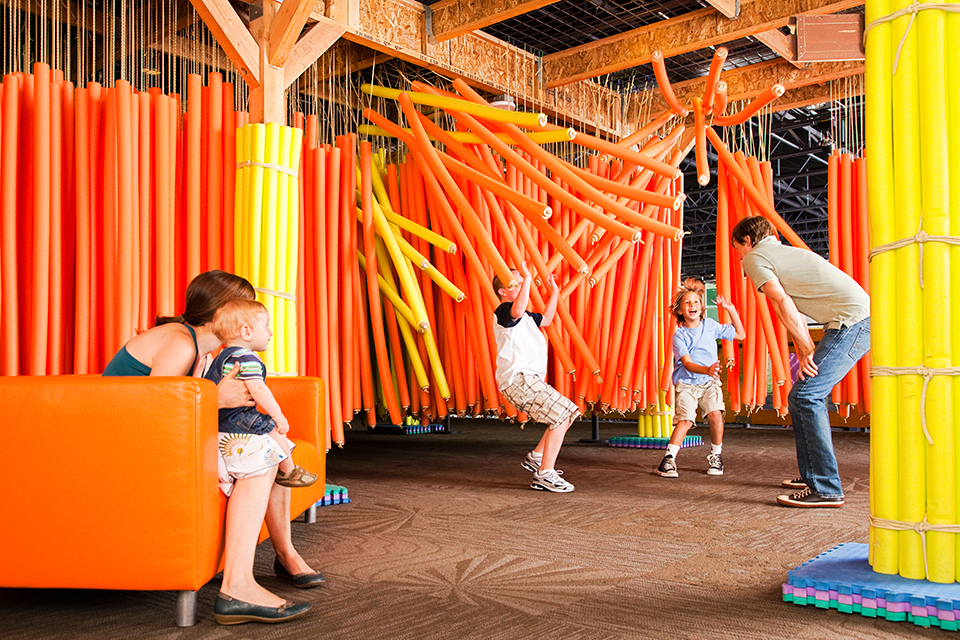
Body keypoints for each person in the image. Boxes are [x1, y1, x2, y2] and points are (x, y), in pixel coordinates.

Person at [102, 270, 322, 625]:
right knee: (261, 456)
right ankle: (238, 586)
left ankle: (283, 554)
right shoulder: (182, 343)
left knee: (267, 446)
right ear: (226, 312)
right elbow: (155, 411)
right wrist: (216, 400)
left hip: (147, 441)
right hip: (122, 446)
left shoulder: (206, 353)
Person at [731, 216, 870, 508]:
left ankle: (827, 488)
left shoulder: (755, 257)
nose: (740, 257)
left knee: (806, 395)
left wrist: (807, 347)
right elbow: (786, 310)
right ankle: (813, 476)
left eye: (738, 249)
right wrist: (803, 345)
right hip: (852, 320)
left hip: (852, 323)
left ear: (746, 241)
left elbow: (783, 302)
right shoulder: (783, 254)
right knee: (801, 396)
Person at [206, 297, 318, 489]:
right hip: (236, 418)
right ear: (246, 332)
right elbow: (258, 389)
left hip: (218, 418)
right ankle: (289, 471)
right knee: (274, 428)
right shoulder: (247, 357)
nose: (270, 332)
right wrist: (277, 415)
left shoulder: (225, 355)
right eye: (266, 326)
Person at [493, 261, 579, 493]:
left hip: (530, 381)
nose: (521, 284)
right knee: (561, 416)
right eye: (516, 283)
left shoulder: (527, 318)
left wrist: (554, 293)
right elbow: (517, 310)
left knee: (569, 413)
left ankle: (537, 457)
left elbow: (547, 319)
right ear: (503, 292)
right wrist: (528, 278)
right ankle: (544, 474)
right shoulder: (503, 312)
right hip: (519, 380)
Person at [656, 278, 744, 479]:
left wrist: (731, 309)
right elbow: (686, 363)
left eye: (695, 301)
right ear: (679, 311)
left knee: (715, 415)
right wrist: (707, 369)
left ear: (701, 307)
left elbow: (740, 334)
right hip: (687, 383)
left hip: (710, 382)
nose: (692, 305)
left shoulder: (711, 325)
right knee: (685, 420)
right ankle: (668, 460)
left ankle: (716, 456)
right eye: (687, 303)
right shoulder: (679, 336)